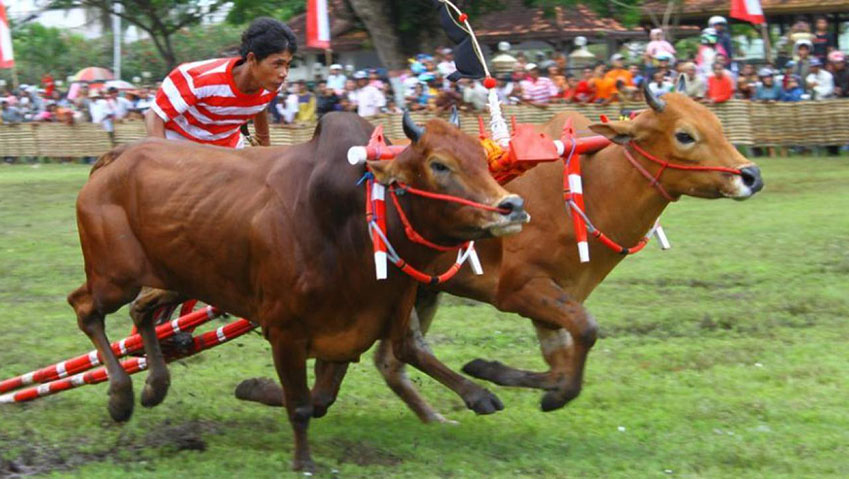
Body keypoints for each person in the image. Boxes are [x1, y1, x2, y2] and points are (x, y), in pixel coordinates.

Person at [145, 17, 297, 148]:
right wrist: (161, 158)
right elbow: (155, 115)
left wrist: (264, 153)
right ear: (252, 59)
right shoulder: (196, 78)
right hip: (181, 147)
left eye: (288, 65)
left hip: (226, 153)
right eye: (277, 64)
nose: (284, 73)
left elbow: (259, 106)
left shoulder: (270, 86)